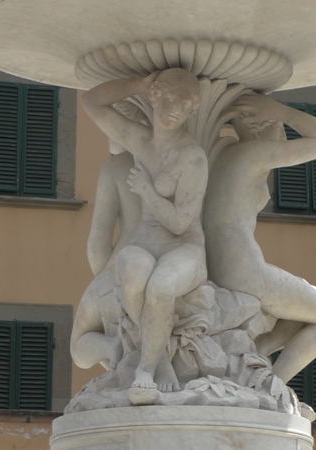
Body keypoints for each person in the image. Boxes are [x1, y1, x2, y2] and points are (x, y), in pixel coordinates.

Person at [81, 69, 209, 398]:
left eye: (185, 103)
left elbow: (182, 222)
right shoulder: (138, 140)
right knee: (132, 271)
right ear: (155, 96)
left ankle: (147, 368)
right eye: (169, 96)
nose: (176, 107)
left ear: (193, 110)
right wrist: (138, 84)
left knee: (162, 285)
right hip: (145, 241)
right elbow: (91, 101)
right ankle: (160, 355)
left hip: (185, 248)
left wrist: (147, 191)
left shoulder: (192, 157)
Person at [203, 90, 316, 384]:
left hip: (224, 264)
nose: (282, 130)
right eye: (276, 123)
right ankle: (271, 387)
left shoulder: (225, 154)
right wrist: (282, 110)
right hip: (242, 270)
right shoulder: (252, 154)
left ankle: (259, 352)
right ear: (257, 124)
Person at [70, 148, 141, 370]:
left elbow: (97, 246)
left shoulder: (118, 166)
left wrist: (103, 278)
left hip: (120, 267)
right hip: (177, 265)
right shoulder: (188, 159)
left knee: (78, 345)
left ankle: (111, 347)